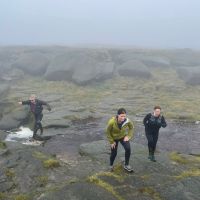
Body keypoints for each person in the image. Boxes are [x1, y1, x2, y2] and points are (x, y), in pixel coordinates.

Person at [106, 108, 134, 172]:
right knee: (114, 153)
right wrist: (111, 142)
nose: (123, 118)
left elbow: (131, 128)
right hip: (114, 138)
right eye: (121, 116)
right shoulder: (112, 122)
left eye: (124, 116)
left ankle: (126, 165)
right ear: (118, 115)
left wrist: (128, 136)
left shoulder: (127, 121)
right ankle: (110, 165)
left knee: (128, 149)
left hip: (123, 137)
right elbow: (107, 132)